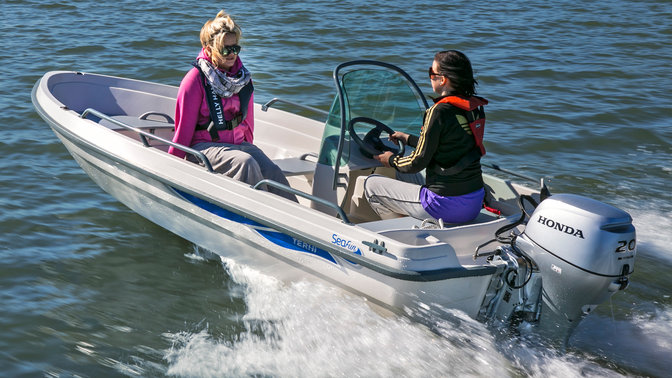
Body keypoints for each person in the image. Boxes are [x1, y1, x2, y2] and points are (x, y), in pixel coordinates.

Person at [168, 10, 297, 202]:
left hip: (236, 145)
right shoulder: (194, 80)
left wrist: (249, 149)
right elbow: (183, 130)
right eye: (225, 49)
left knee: (271, 170)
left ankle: (293, 219)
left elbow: (248, 125)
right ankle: (254, 213)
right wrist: (171, 167)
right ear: (209, 48)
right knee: (245, 163)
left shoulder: (242, 79)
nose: (231, 54)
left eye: (235, 48)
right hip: (204, 147)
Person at [364, 50, 488, 223]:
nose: (429, 76)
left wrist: (390, 159)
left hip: (445, 206)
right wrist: (408, 139)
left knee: (371, 184)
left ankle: (404, 228)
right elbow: (450, 145)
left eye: (431, 73)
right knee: (402, 174)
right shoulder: (473, 109)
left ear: (443, 79)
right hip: (474, 203)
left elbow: (417, 163)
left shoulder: (437, 112)